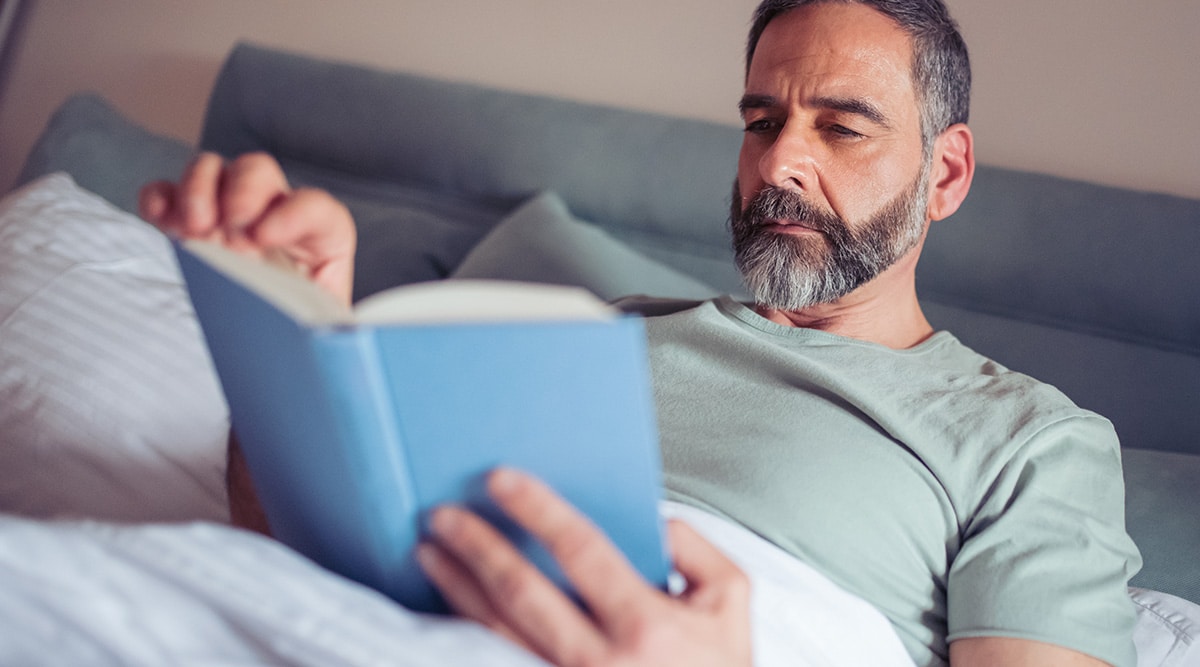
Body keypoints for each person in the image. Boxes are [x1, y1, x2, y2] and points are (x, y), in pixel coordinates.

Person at [140, 1, 1142, 665]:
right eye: (760, 121)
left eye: (842, 127)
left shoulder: (1030, 440)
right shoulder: (593, 338)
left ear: (947, 174)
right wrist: (290, 340)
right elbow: (294, 544)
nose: (780, 161)